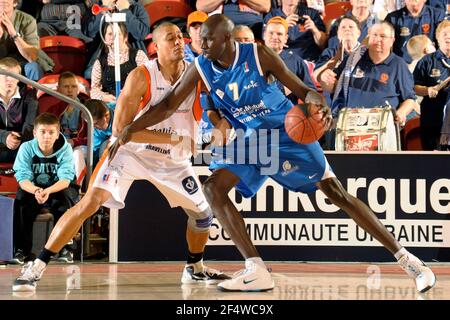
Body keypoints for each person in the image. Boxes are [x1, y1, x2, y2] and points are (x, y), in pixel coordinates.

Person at [110, 14, 436, 293]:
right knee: (213, 187)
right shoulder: (202, 67)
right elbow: (167, 104)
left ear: (227, 38)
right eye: (201, 39)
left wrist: (318, 105)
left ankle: (410, 261)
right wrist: (130, 129)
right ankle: (256, 269)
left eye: (208, 39)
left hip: (287, 130)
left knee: (335, 192)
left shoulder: (258, 54)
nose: (201, 44)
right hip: (252, 140)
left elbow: (303, 89)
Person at [12, 22, 230, 292]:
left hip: (173, 159)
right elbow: (120, 131)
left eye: (180, 38)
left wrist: (219, 122)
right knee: (89, 203)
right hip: (130, 153)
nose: (179, 42)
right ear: (156, 49)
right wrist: (174, 138)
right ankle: (37, 266)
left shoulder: (195, 72)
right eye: (171, 38)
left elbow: (215, 104)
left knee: (202, 215)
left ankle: (194, 268)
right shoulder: (142, 76)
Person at [11, 113, 79, 265]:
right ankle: (22, 250)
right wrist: (36, 190)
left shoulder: (65, 148)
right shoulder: (26, 148)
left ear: (57, 134)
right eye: (42, 132)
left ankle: (65, 248)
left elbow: (65, 180)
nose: (46, 136)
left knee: (66, 200)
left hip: (58, 187)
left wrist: (48, 191)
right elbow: (22, 178)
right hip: (34, 189)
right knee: (21, 199)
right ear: (35, 133)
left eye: (51, 132)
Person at [0, 57, 38, 163]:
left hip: (21, 145)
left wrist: (16, 139)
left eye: (14, 76)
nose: (10, 80)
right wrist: (5, 136)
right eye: (6, 75)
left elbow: (31, 125)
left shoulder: (29, 95)